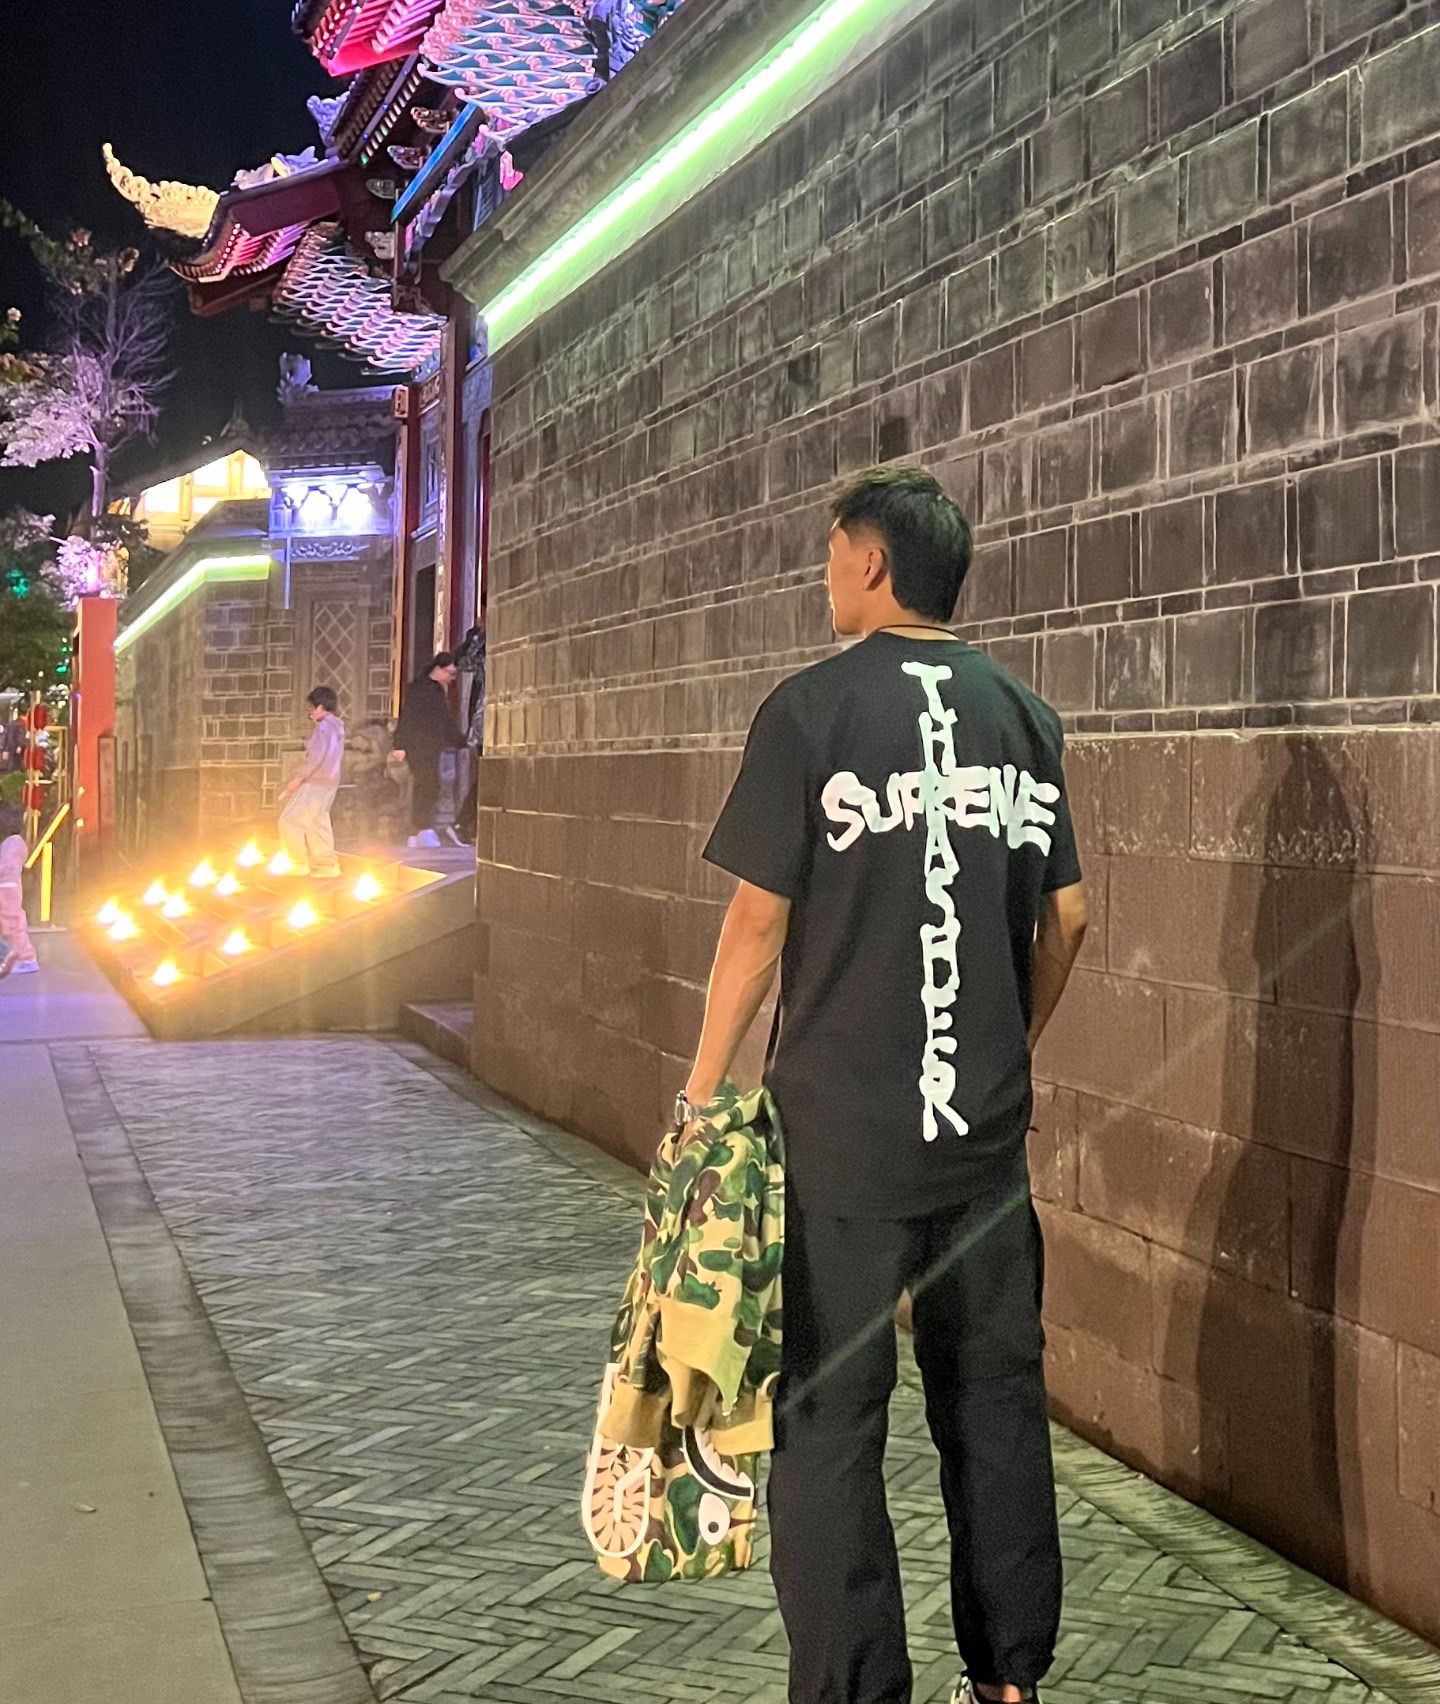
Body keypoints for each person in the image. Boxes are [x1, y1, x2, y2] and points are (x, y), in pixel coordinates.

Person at [676, 467, 1089, 1704]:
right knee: (995, 1402)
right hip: (982, 1146)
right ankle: (1008, 1679)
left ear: (869, 563)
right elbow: (1069, 918)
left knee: (830, 1417)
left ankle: (859, 1688)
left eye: (830, 556)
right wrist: (1012, 1040)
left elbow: (757, 926)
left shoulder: (810, 712)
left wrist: (701, 1094)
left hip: (841, 1148)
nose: (825, 578)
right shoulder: (1027, 718)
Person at [391, 651, 465, 849]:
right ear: (438, 669)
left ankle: (419, 830)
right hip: (419, 746)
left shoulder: (435, 690)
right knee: (427, 785)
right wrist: (400, 744)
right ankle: (421, 828)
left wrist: (460, 741)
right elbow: (408, 716)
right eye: (450, 673)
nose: (452, 678)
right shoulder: (421, 689)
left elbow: (443, 722)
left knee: (428, 786)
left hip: (430, 746)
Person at [278, 686, 345, 877]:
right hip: (330, 782)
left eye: (312, 708)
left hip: (316, 782)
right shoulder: (337, 727)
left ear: (321, 707)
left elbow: (316, 758)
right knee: (317, 822)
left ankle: (297, 863)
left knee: (290, 821)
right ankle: (327, 866)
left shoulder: (323, 728)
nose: (311, 713)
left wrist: (298, 778)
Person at [0, 805, 38, 977]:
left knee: (12, 924)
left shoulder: (13, 843)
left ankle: (26, 958)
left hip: (7, 888)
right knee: (8, 924)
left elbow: (6, 867)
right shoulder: (14, 842)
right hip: (8, 887)